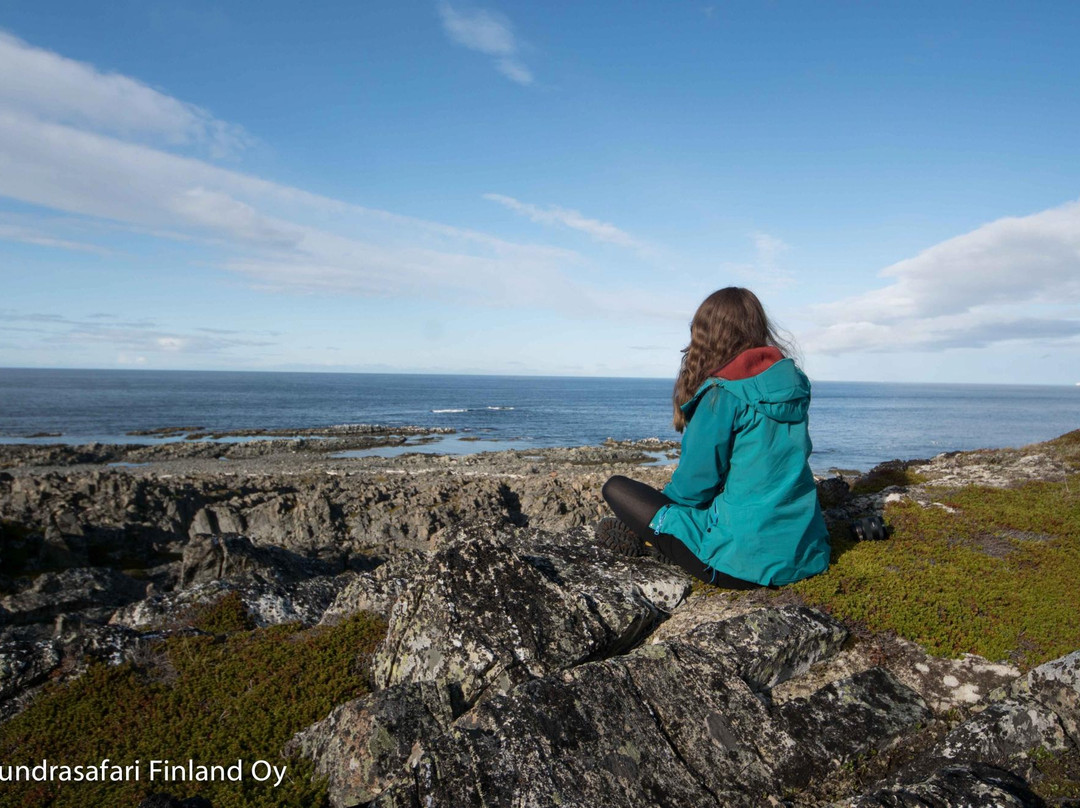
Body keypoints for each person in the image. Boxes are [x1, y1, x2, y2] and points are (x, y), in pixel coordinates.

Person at [598, 287, 830, 588]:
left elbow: (693, 489)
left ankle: (653, 543)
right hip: (806, 553)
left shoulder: (722, 395)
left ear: (708, 335)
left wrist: (653, 518)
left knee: (616, 489)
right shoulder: (793, 383)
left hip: (741, 563)